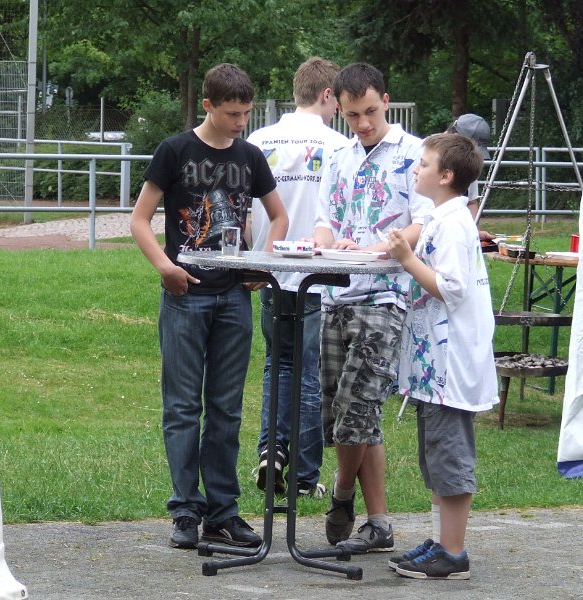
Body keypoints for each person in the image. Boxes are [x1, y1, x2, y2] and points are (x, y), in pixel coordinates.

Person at [130, 63, 288, 550]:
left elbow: (278, 216)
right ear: (208, 106)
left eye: (246, 113)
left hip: (234, 297)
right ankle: (185, 509)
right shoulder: (175, 150)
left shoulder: (251, 156)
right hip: (186, 296)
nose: (241, 122)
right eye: (232, 113)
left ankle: (223, 511)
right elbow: (139, 219)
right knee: (182, 407)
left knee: (226, 408)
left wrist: (262, 262)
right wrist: (165, 267)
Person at [312, 62, 434, 554]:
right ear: (338, 108)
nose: (362, 123)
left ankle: (342, 494)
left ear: (386, 100)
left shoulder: (416, 153)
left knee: (357, 406)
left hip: (387, 295)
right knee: (345, 414)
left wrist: (384, 246)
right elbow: (324, 221)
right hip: (335, 293)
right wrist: (327, 244)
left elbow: (424, 222)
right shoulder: (338, 157)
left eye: (369, 112)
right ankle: (379, 523)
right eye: (351, 115)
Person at [385, 132, 499, 579]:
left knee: (450, 459)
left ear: (446, 175)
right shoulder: (443, 217)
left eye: (424, 164)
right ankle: (439, 542)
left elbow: (451, 288)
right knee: (434, 458)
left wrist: (406, 258)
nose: (416, 169)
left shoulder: (453, 224)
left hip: (450, 369)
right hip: (434, 366)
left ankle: (453, 553)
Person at [247, 57, 349, 499]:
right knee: (308, 371)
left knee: (277, 362)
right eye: (337, 101)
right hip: (315, 276)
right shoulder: (339, 146)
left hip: (268, 271)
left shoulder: (259, 140)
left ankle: (271, 451)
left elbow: (246, 212)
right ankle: (305, 476)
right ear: (327, 95)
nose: (338, 110)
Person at [448, 113, 495, 241]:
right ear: (455, 135)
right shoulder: (428, 153)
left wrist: (475, 234)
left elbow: (471, 201)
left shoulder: (467, 162)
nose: (470, 155)